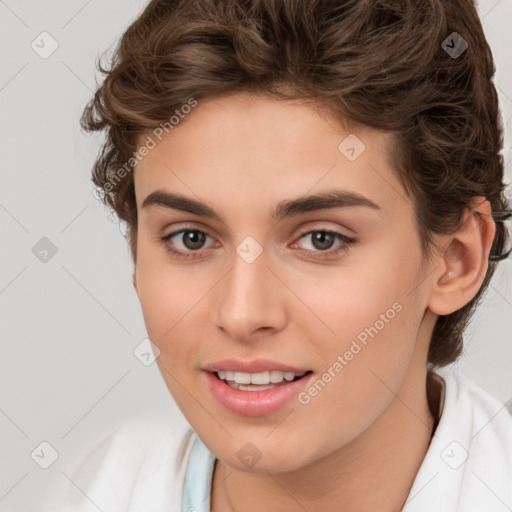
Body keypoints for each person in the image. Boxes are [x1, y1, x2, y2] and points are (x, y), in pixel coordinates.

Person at [52, 0, 512, 510]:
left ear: (457, 259)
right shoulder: (88, 490)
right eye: (191, 238)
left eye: (321, 239)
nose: (243, 314)